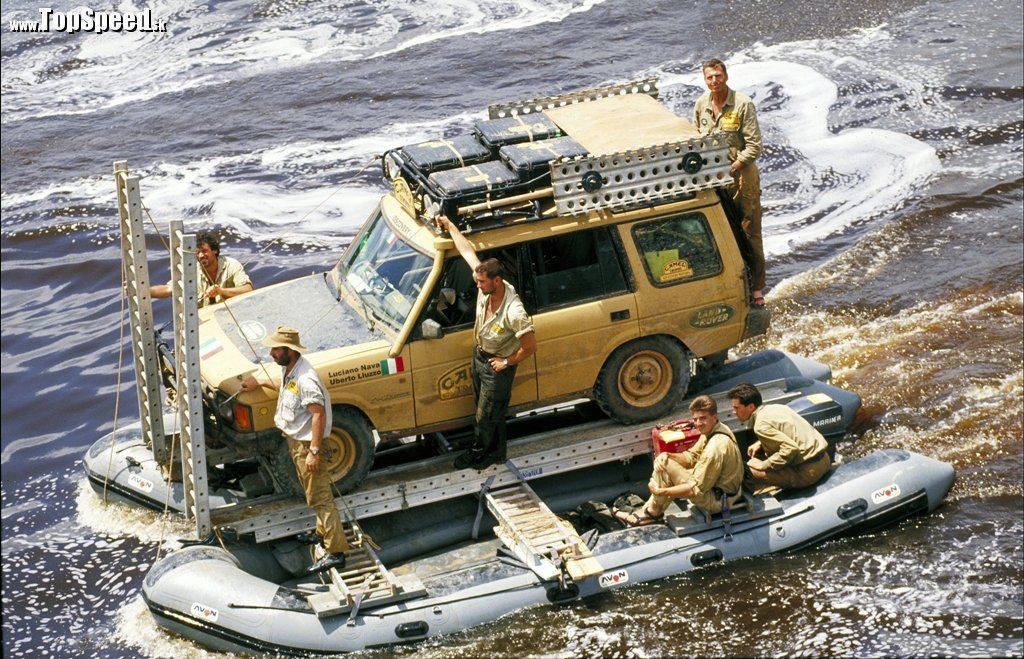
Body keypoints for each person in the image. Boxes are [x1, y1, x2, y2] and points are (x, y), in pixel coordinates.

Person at [240, 327, 348, 574]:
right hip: (296, 442)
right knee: (313, 493)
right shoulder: (291, 369)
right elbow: (286, 386)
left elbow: (318, 413)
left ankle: (336, 552)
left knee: (320, 497)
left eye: (276, 350)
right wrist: (260, 381)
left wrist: (314, 450)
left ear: (290, 350)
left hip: (307, 444)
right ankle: (322, 534)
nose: (271, 354)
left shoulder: (306, 378)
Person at [437, 217, 537, 470]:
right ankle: (496, 452)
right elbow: (467, 251)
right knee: (492, 411)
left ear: (497, 281)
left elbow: (530, 346)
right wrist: (450, 226)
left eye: (482, 282)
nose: (477, 286)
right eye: (478, 281)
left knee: (485, 415)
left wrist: (507, 362)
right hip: (480, 356)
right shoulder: (485, 285)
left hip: (496, 366)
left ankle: (479, 453)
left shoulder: (513, 312)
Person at [693, 58, 766, 306]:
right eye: (710, 77)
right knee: (723, 233)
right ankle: (735, 285)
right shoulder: (701, 105)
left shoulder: (742, 104)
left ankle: (756, 288)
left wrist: (733, 169)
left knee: (749, 231)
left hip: (742, 177)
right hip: (716, 179)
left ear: (726, 76)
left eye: (718, 76)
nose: (714, 81)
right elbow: (698, 140)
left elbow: (754, 147)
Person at [616, 395, 744, 526]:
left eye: (703, 418)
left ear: (714, 416)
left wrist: (661, 491)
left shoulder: (715, 448)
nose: (698, 423)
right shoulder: (715, 429)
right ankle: (651, 511)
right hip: (719, 490)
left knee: (665, 469)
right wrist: (667, 455)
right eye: (695, 419)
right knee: (665, 462)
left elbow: (694, 490)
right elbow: (690, 457)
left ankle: (651, 513)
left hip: (719, 501)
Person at [727, 382, 831, 491]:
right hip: (824, 460)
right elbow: (789, 432)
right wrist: (760, 443)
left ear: (751, 407)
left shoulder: (760, 426)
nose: (734, 412)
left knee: (748, 470)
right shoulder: (777, 407)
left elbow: (790, 448)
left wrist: (763, 465)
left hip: (809, 472)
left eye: (736, 408)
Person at [149, 231, 253, 307]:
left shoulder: (232, 265)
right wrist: (144, 292)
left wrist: (221, 291)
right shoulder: (191, 270)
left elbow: (247, 289)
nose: (201, 255)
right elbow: (168, 289)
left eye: (204, 251)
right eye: (197, 252)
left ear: (215, 250)